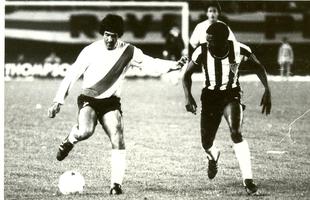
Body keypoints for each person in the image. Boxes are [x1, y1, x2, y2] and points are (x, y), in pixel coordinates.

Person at [48, 14, 186, 195]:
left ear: (119, 35)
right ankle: (70, 140)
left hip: (111, 102)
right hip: (89, 98)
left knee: (118, 138)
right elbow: (72, 74)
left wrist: (174, 65)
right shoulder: (91, 50)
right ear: (102, 33)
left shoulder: (129, 51)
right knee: (86, 131)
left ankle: (116, 185)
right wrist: (58, 101)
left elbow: (150, 63)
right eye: (106, 34)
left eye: (114, 35)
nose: (110, 39)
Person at [182, 22, 271, 195]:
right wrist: (188, 96)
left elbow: (258, 66)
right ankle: (213, 155)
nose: (207, 45)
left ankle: (248, 180)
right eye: (206, 41)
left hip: (231, 95)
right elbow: (186, 75)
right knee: (206, 142)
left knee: (236, 132)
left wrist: (267, 89)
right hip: (210, 97)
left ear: (223, 41)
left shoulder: (239, 49)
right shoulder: (201, 51)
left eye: (211, 42)